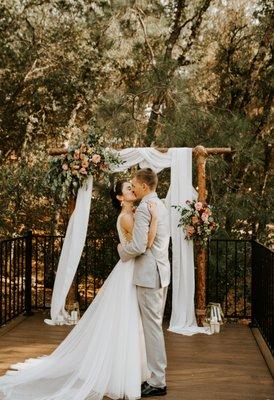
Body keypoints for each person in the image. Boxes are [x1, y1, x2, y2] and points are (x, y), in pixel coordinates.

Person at [0, 178, 159, 400]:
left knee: (129, 320)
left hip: (131, 270)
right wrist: (155, 222)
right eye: (128, 189)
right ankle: (118, 372)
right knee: (126, 320)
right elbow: (143, 245)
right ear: (120, 197)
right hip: (129, 271)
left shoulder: (133, 213)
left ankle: (129, 368)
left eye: (132, 187)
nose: (132, 190)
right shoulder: (126, 217)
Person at [118, 168, 170, 398]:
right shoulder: (159, 206)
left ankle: (158, 382)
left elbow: (139, 246)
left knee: (152, 330)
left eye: (135, 184)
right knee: (154, 327)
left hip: (149, 276)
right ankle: (156, 376)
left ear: (144, 186)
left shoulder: (143, 211)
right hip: (161, 273)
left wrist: (121, 252)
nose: (133, 187)